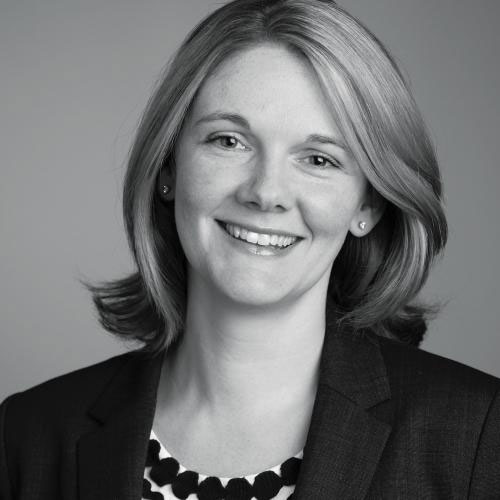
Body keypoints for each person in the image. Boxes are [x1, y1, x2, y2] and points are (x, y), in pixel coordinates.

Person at [1, 0, 499, 498]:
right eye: (229, 141)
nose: (266, 192)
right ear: (169, 165)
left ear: (367, 203)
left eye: (318, 159)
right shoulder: (27, 435)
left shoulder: (476, 435)